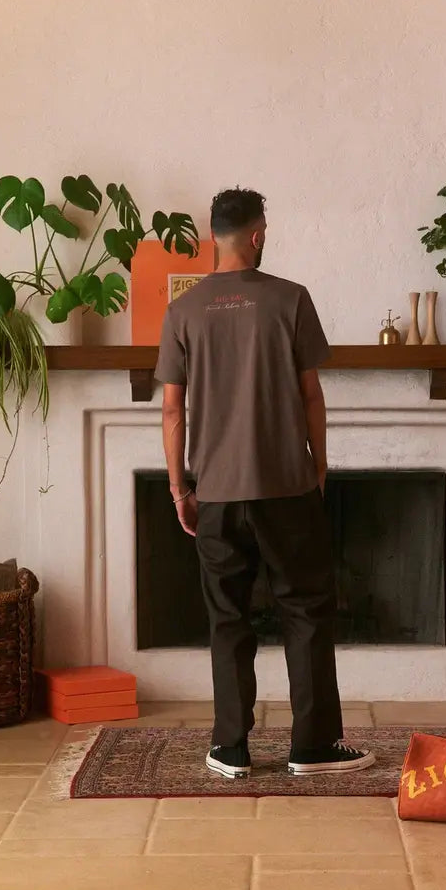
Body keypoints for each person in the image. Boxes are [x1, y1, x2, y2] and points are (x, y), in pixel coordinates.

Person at [155, 188, 375, 780]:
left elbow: (173, 413)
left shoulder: (183, 311)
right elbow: (311, 396)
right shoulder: (291, 299)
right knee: (305, 612)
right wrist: (319, 465)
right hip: (287, 489)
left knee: (228, 618)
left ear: (213, 236)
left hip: (218, 494)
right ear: (256, 235)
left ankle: (230, 747)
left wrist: (180, 489)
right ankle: (313, 747)